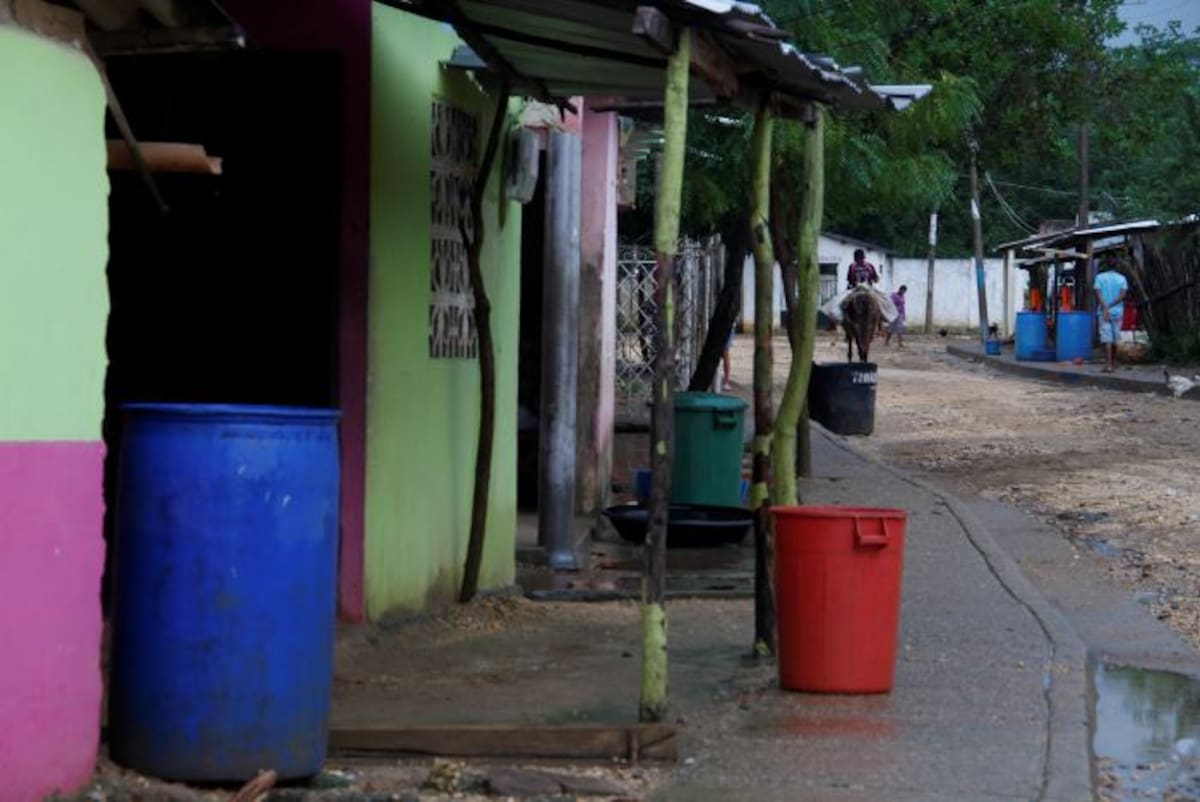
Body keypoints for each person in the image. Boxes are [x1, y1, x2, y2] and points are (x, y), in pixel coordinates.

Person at [1094, 258, 1129, 373]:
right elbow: (1123, 295)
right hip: (1118, 311)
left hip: (1103, 311)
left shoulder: (1099, 277)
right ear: (1116, 267)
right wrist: (1111, 305)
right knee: (1115, 338)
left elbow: (1098, 294)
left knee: (1106, 338)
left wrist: (1105, 307)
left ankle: (1108, 365)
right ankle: (1113, 363)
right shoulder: (1122, 278)